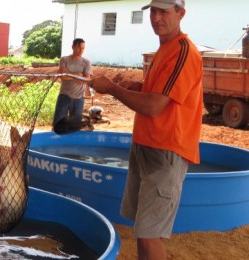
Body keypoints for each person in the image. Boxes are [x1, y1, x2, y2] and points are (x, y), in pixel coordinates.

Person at [90, 0, 203, 259]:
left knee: (151, 235)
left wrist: (114, 89)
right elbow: (156, 93)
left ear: (181, 13)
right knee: (143, 230)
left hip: (167, 150)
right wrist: (135, 86)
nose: (156, 17)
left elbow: (154, 107)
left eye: (164, 11)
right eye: (153, 11)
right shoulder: (165, 48)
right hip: (146, 145)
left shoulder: (183, 51)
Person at [53, 38, 93, 134]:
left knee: (75, 126)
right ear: (73, 47)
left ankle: (71, 145)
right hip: (64, 95)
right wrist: (78, 75)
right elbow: (63, 77)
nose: (81, 50)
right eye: (79, 48)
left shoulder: (86, 62)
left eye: (83, 48)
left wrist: (69, 74)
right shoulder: (64, 59)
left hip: (79, 98)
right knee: (58, 124)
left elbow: (85, 80)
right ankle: (57, 143)